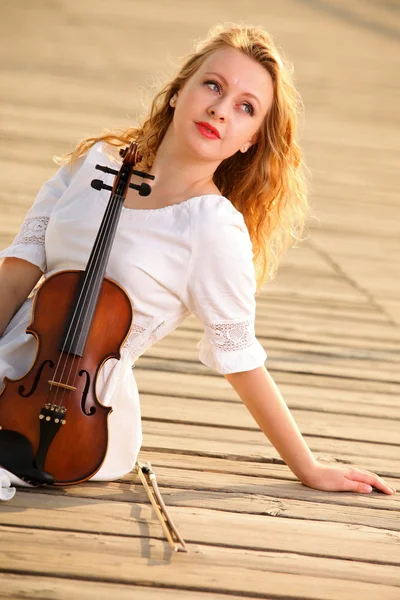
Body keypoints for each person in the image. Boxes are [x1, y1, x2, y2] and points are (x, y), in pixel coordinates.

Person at [0, 24, 395, 500]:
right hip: (11, 372)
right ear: (178, 91)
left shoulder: (211, 228)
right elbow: (17, 276)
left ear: (250, 139)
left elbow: (241, 357)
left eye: (245, 108)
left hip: (79, 422)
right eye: (213, 85)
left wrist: (307, 466)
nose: (220, 110)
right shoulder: (96, 163)